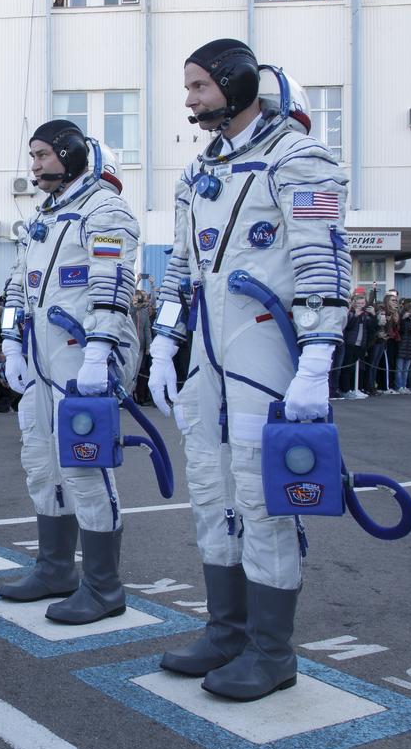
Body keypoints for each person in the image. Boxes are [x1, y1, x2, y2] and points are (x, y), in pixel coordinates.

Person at [148, 40, 351, 701]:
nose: (190, 99)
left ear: (237, 86)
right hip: (209, 346)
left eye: (200, 86)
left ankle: (272, 650)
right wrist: (161, 342)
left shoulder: (298, 158)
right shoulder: (197, 172)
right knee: (209, 482)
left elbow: (323, 260)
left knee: (262, 493)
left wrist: (317, 359)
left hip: (268, 344)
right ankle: (226, 629)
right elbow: (182, 265)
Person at [0, 121, 141, 627]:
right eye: (31, 155)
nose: (34, 166)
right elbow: (18, 283)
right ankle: (55, 568)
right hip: (41, 357)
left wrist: (101, 352)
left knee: (84, 466)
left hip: (83, 357)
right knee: (41, 460)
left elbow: (112, 283)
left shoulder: (103, 210)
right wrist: (10, 341)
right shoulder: (43, 219)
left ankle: (104, 587)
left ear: (69, 153)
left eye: (41, 155)